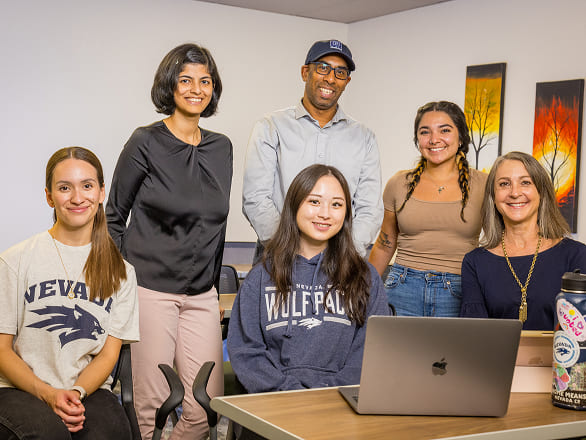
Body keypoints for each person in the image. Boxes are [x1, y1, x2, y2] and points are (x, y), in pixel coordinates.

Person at [106, 43, 232, 440]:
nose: (197, 88)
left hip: (201, 296)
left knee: (205, 408)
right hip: (150, 291)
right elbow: (112, 217)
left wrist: (210, 289)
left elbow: (216, 225)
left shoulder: (221, 147)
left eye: (205, 80)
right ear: (170, 86)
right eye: (186, 80)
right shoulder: (145, 141)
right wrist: (125, 282)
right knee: (152, 409)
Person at [0, 147, 139, 440]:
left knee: (111, 433)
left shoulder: (122, 272)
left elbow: (108, 354)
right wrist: (48, 394)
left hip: (85, 388)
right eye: (65, 188)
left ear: (101, 192)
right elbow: (2, 350)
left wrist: (75, 392)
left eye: (87, 186)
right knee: (49, 434)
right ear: (49, 196)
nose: (77, 198)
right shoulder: (15, 260)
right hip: (17, 388)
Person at [228, 164, 389, 394]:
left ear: (345, 214)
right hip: (273, 407)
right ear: (295, 205)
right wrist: (290, 393)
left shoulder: (364, 276)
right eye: (314, 201)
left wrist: (327, 393)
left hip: (341, 404)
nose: (325, 213)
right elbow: (247, 352)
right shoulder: (261, 277)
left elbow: (372, 349)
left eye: (336, 204)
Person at [242, 39, 383, 261]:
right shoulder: (271, 127)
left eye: (340, 72)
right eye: (323, 68)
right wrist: (290, 249)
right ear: (305, 72)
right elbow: (256, 198)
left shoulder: (364, 138)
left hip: (340, 261)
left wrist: (343, 252)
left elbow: (370, 209)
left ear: (347, 81)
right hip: (278, 254)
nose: (330, 78)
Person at [368, 101, 487, 317]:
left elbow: (501, 242)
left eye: (445, 130)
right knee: (396, 351)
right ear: (417, 140)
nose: (434, 140)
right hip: (401, 287)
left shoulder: (485, 184)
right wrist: (362, 290)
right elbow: (385, 245)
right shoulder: (398, 183)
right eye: (425, 132)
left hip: (460, 289)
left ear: (461, 137)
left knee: (452, 352)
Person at [460, 151, 586, 330]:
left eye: (525, 182)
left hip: (560, 358)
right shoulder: (475, 263)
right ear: (493, 197)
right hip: (498, 359)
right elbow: (474, 337)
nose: (515, 192)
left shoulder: (577, 255)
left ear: (541, 192)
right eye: (504, 184)